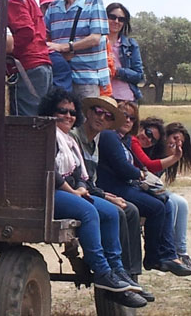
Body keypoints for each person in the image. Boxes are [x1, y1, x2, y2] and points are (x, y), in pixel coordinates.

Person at [38, 88, 146, 308]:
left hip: (70, 190)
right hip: (49, 193)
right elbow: (50, 171)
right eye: (62, 111)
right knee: (89, 212)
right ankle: (102, 271)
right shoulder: (45, 134)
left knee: (110, 212)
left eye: (71, 112)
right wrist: (73, 190)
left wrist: (79, 187)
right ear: (50, 111)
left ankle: (117, 269)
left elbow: (79, 173)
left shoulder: (69, 140)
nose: (68, 116)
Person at [70, 96, 154, 302]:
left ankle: (127, 272)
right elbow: (76, 179)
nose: (102, 118)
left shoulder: (95, 142)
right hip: (74, 193)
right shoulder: (74, 138)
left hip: (88, 191)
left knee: (130, 210)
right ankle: (112, 271)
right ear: (88, 113)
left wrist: (105, 195)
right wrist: (104, 196)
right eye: (98, 112)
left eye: (107, 116)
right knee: (116, 211)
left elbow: (89, 180)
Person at [97, 101, 191, 276]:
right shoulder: (110, 136)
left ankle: (168, 254)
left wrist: (140, 173)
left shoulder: (123, 139)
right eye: (124, 115)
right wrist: (138, 174)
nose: (128, 120)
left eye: (132, 118)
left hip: (125, 184)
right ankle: (154, 257)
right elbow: (124, 168)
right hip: (114, 185)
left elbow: (141, 167)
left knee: (165, 202)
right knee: (157, 207)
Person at [44, 0, 110, 99]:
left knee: (87, 118)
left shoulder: (93, 1)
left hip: (87, 79)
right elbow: (42, 35)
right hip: (61, 78)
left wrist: (64, 47)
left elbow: (95, 38)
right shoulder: (53, 6)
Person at [137, 120, 191, 268]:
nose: (176, 143)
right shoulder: (153, 151)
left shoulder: (172, 156)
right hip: (144, 188)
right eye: (174, 138)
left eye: (181, 141)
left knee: (182, 203)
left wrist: (173, 156)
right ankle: (165, 250)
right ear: (166, 137)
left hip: (153, 189)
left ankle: (182, 253)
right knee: (170, 202)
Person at [106, 3, 144, 101]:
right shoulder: (95, 43)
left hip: (126, 100)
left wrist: (116, 71)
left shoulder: (131, 45)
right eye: (112, 17)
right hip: (102, 98)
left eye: (121, 19)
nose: (116, 21)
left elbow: (139, 76)